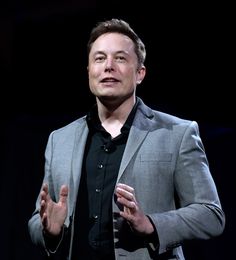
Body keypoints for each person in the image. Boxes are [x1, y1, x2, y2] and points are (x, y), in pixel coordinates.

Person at [28, 18, 225, 260]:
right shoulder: (60, 139)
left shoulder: (178, 133)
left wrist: (152, 224)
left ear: (140, 73)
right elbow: (38, 220)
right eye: (99, 58)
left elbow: (211, 214)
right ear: (89, 71)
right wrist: (50, 230)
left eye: (120, 58)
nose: (108, 66)